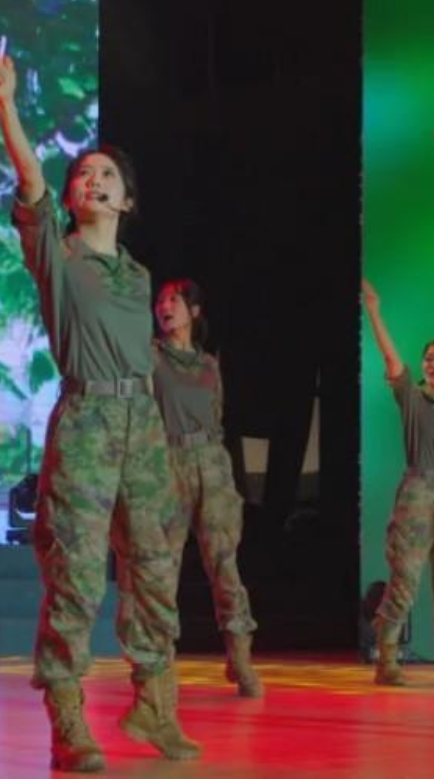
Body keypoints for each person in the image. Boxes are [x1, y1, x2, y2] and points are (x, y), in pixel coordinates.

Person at [0, 39, 198, 772]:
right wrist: (8, 106)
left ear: (127, 200)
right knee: (75, 572)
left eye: (107, 175)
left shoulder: (139, 275)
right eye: (84, 174)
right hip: (88, 422)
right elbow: (30, 181)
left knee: (156, 567)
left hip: (145, 427)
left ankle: (155, 704)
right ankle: (67, 720)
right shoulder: (58, 253)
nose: (93, 180)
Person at [361, 279, 434, 689]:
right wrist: (374, 312)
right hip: (419, 492)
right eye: (429, 359)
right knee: (405, 578)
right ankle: (387, 659)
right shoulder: (412, 399)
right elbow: (391, 359)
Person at [152, 278, 263, 698]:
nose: (165, 306)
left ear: (194, 312)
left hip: (212, 464)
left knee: (224, 563)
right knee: (162, 567)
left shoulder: (210, 365)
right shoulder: (150, 357)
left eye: (174, 300)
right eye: (161, 300)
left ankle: (240, 656)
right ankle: (160, 661)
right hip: (168, 462)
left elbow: (216, 414)